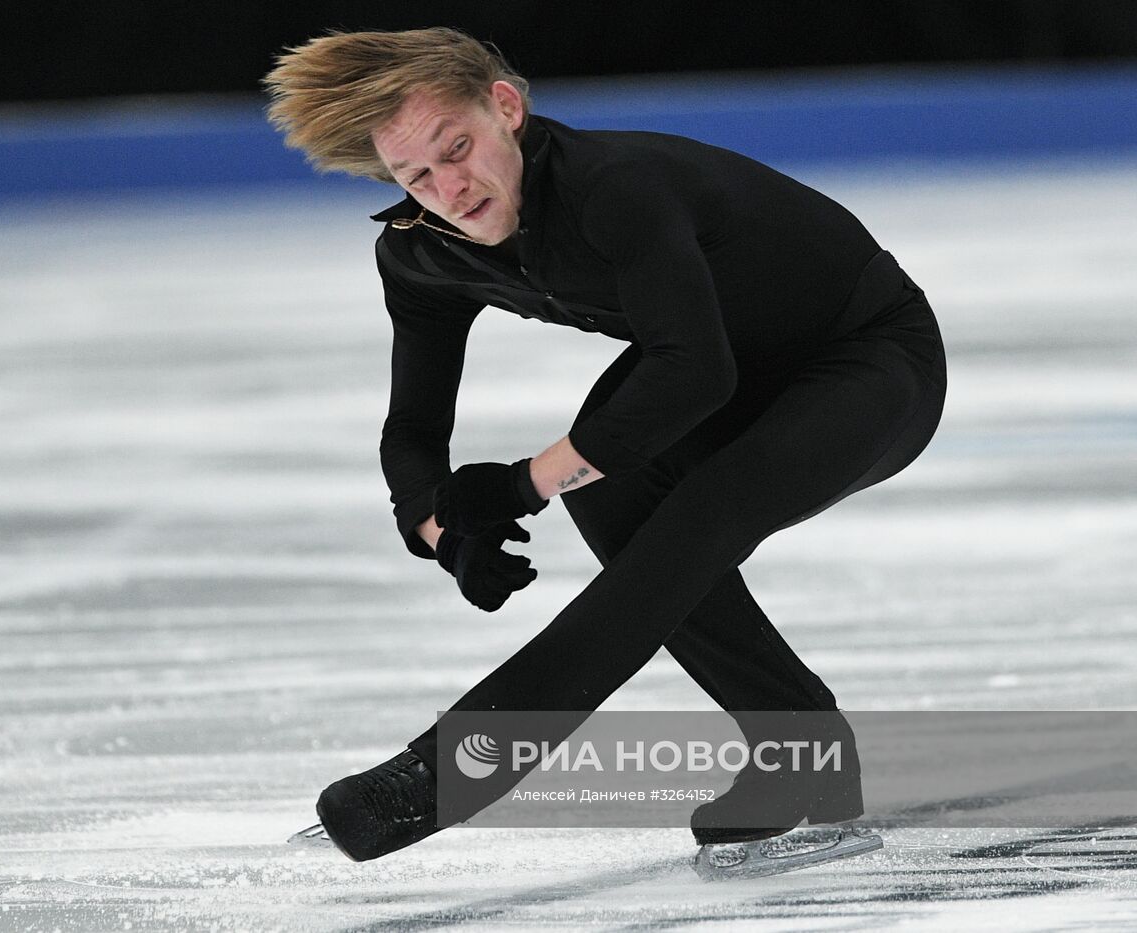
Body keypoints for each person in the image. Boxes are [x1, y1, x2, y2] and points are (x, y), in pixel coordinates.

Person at [263, 27, 946, 862]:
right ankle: (798, 741)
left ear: (505, 108)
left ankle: (449, 773)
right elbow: (412, 434)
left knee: (694, 512)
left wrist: (520, 486)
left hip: (866, 356)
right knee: (611, 487)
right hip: (724, 369)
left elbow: (692, 374)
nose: (452, 187)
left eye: (459, 147)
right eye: (417, 175)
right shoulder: (419, 256)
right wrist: (446, 535)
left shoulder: (614, 188)